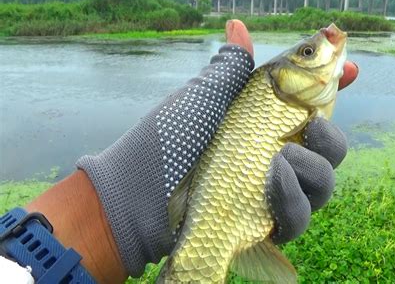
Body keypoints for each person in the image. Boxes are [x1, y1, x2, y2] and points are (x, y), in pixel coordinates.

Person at [0, 20, 358, 283]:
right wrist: (122, 211)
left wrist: (111, 217)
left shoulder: (292, 100)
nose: (319, 48)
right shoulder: (279, 93)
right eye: (308, 52)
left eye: (307, 52)